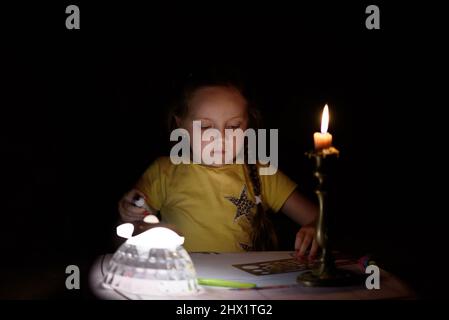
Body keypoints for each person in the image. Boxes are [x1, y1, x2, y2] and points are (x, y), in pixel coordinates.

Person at [118, 69, 318, 258]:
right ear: (180, 125)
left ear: (248, 125)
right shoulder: (164, 171)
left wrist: (315, 228)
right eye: (205, 126)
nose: (220, 137)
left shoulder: (262, 171)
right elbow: (130, 228)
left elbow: (320, 219)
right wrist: (130, 213)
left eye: (233, 126)